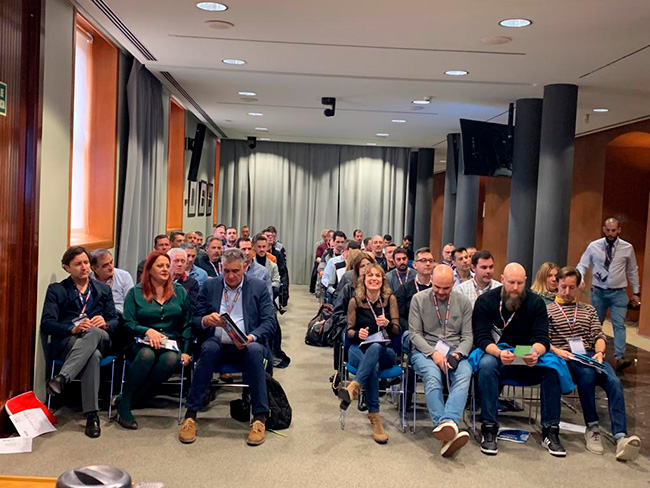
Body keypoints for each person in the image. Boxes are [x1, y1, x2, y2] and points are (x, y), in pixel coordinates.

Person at [179, 248, 276, 445]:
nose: (231, 276)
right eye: (227, 271)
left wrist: (251, 337)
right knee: (208, 349)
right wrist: (206, 320)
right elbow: (195, 319)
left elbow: (269, 322)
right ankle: (191, 414)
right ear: (222, 268)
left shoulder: (257, 287)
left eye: (236, 271)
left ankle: (259, 417)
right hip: (217, 343)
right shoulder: (210, 286)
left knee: (255, 351)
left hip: (246, 344)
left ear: (245, 268)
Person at [548, 266, 641, 461]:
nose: (567, 291)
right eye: (563, 287)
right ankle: (592, 427)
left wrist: (599, 353)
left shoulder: (588, 310)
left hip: (590, 355)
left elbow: (599, 335)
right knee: (587, 374)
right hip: (566, 356)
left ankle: (620, 436)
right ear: (557, 285)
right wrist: (557, 351)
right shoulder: (548, 310)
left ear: (578, 287)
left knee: (614, 382)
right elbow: (543, 339)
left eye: (571, 287)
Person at [473, 263, 565, 457]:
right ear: (502, 279)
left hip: (527, 355)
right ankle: (489, 428)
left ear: (526, 281)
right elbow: (481, 338)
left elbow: (542, 338)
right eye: (511, 282)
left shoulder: (536, 302)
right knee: (486, 364)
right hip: (498, 353)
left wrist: (535, 352)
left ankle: (551, 430)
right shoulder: (486, 301)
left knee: (552, 369)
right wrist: (499, 353)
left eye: (520, 283)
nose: (515, 288)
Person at [42, 246, 118, 438]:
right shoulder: (57, 290)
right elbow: (47, 323)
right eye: (77, 264)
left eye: (86, 263)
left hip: (100, 337)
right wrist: (72, 328)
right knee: (93, 356)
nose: (84, 267)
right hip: (70, 341)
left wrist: (105, 323)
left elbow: (115, 320)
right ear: (66, 267)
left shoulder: (102, 289)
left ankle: (63, 378)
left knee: (94, 332)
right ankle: (92, 416)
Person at [115, 252, 192, 429]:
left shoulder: (180, 292)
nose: (165, 269)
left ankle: (127, 399)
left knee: (171, 359)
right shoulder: (135, 292)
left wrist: (186, 351)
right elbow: (127, 322)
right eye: (160, 266)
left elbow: (187, 324)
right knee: (146, 355)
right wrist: (147, 331)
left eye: (167, 266)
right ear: (149, 269)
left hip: (170, 343)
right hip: (140, 342)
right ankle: (126, 405)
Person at [409, 265, 473, 457]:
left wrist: (458, 354)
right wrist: (433, 354)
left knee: (465, 373)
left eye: (446, 288)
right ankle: (446, 426)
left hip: (455, 351)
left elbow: (468, 337)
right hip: (425, 350)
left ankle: (447, 425)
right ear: (431, 281)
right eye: (437, 287)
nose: (441, 292)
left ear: (453, 283)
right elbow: (414, 334)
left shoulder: (463, 302)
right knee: (432, 376)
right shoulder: (418, 299)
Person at [338, 264, 400, 444]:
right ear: (363, 280)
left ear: (382, 280)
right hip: (360, 349)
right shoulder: (355, 301)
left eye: (377, 276)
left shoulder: (390, 300)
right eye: (370, 275)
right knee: (372, 365)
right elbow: (349, 331)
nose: (374, 278)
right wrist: (359, 334)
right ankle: (375, 416)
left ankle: (355, 385)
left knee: (376, 347)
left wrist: (388, 323)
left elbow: (397, 330)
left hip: (385, 351)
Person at [577, 217, 641, 371]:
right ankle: (594, 353)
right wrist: (580, 278)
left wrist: (636, 292)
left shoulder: (627, 248)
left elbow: (633, 270)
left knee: (619, 325)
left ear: (619, 230)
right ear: (604, 230)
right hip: (598, 292)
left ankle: (620, 357)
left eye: (614, 230)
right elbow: (582, 264)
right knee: (595, 323)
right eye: (608, 230)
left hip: (618, 293)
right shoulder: (594, 246)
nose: (611, 233)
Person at [395, 247, 435, 332]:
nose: (428, 264)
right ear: (414, 265)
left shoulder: (438, 287)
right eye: (423, 260)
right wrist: (414, 330)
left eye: (430, 261)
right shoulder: (404, 289)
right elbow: (400, 317)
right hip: (412, 330)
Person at [90, 249, 134, 315]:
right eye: (105, 265)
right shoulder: (88, 280)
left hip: (119, 315)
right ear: (94, 269)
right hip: (97, 316)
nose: (110, 267)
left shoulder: (124, 276)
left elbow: (131, 304)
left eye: (111, 262)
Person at [321, 231, 347, 303]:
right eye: (338, 242)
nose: (340, 244)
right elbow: (324, 278)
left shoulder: (349, 259)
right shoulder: (330, 259)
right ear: (333, 241)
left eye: (342, 242)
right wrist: (333, 290)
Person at [311, 229, 332, 294]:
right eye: (324, 236)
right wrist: (324, 261)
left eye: (327, 236)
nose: (326, 238)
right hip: (322, 263)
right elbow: (317, 257)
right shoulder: (320, 245)